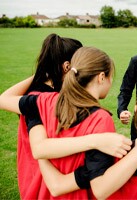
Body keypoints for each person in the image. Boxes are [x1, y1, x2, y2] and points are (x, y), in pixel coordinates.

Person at [0, 47, 137, 199]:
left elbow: (4, 101)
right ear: (102, 77)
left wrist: (42, 72)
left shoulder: (43, 101)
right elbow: (100, 188)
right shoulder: (100, 120)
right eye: (111, 77)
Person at [13, 33, 84, 199]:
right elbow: (40, 148)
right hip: (42, 177)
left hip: (49, 174)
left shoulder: (50, 91)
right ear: (67, 67)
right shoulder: (39, 98)